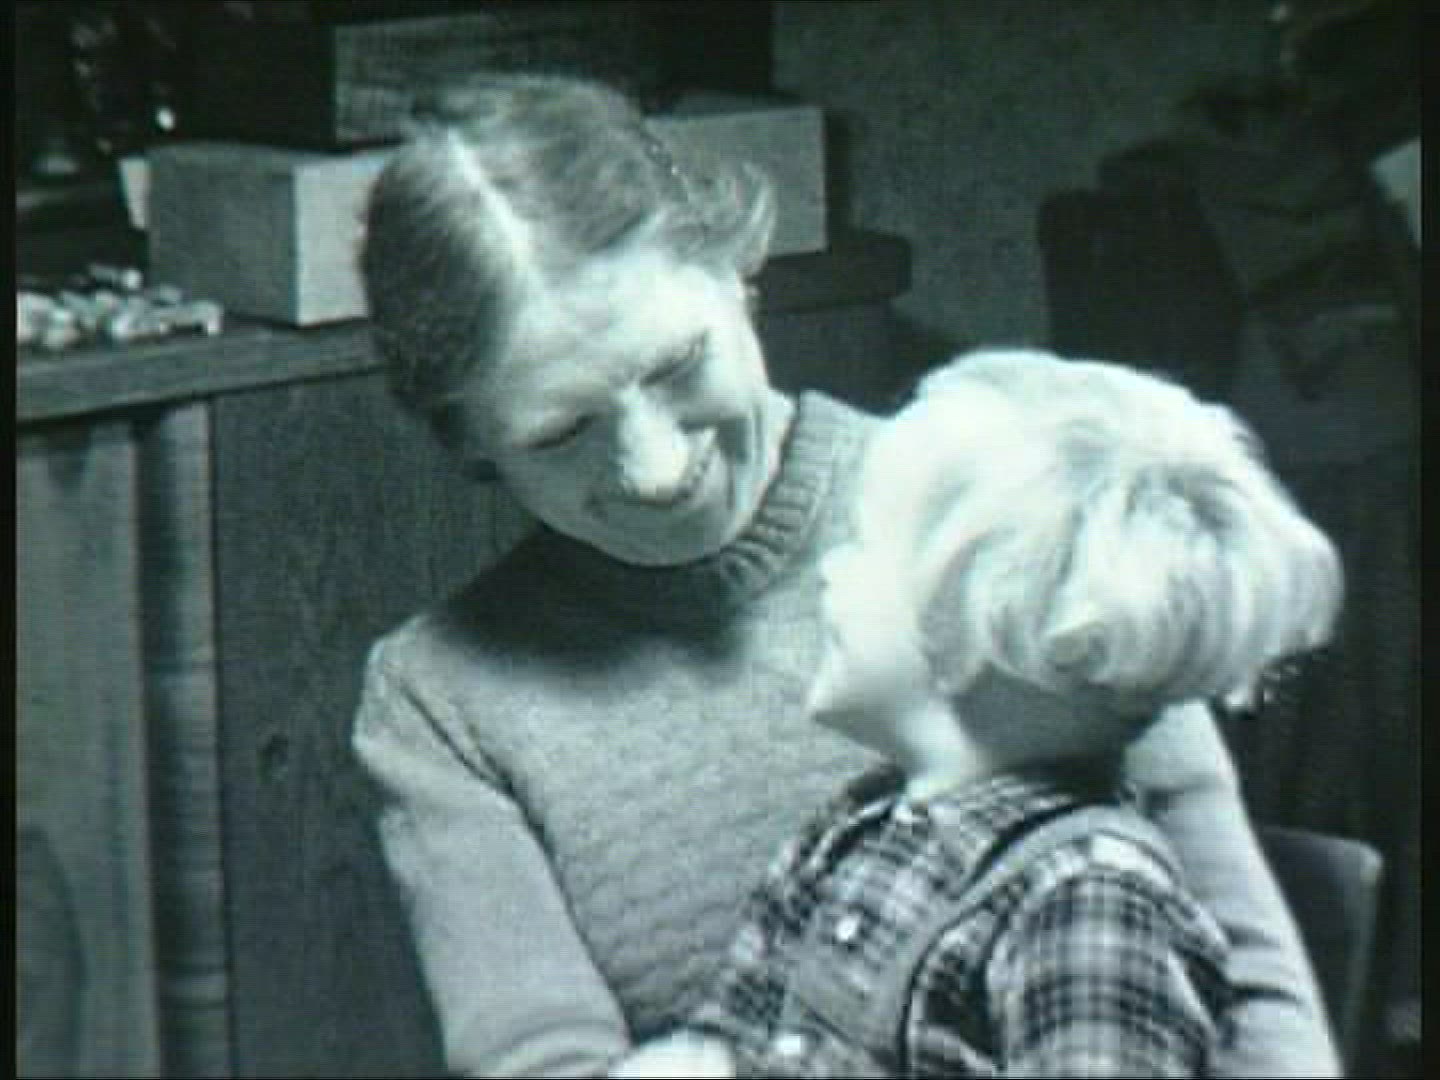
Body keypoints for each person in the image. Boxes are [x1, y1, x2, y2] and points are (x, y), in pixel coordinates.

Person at [351, 72, 1341, 1078]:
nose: (655, 469)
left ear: (736, 275)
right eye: (562, 432)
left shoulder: (1003, 517)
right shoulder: (444, 697)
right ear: (471, 444)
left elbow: (1259, 1011)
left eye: (677, 365)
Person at [607, 348, 1343, 1078]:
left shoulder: (1088, 901)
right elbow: (736, 1037)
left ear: (975, 630)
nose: (829, 571)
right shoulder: (853, 830)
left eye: (862, 544)